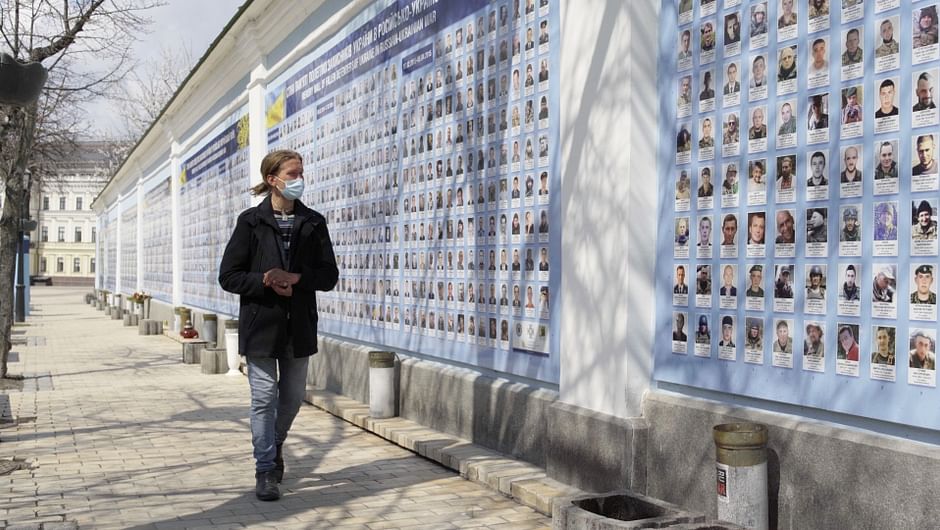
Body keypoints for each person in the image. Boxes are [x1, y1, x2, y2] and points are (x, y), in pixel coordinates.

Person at [218, 149, 339, 502]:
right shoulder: (250, 222)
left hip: (299, 325)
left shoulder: (313, 222)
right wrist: (265, 280)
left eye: (301, 172)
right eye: (292, 174)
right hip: (261, 325)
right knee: (263, 398)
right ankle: (266, 469)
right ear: (273, 180)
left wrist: (297, 278)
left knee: (292, 399)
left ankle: (274, 442)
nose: (299, 179)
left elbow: (329, 275)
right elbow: (229, 276)